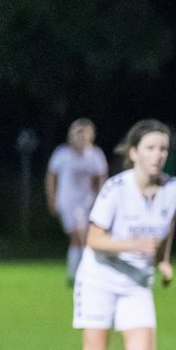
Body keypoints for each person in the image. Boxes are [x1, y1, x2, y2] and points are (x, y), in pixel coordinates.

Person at [45, 120, 176, 350]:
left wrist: (164, 261)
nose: (158, 155)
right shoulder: (116, 189)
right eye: (150, 148)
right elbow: (94, 238)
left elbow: (168, 223)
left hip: (136, 282)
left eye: (163, 148)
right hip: (99, 280)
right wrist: (134, 245)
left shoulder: (173, 188)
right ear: (133, 153)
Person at [46, 118, 109, 286]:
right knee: (79, 236)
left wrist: (101, 199)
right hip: (67, 202)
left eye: (84, 134)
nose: (80, 138)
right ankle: (83, 273)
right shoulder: (62, 154)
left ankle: (75, 274)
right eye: (77, 133)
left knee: (81, 239)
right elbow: (51, 177)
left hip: (87, 203)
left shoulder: (95, 155)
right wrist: (51, 199)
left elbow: (101, 177)